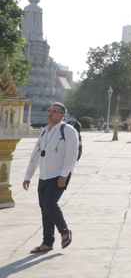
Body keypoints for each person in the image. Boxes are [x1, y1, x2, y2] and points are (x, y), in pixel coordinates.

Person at [23, 102, 78, 253]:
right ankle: (47, 242)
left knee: (50, 204)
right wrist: (28, 175)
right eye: (49, 110)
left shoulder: (68, 130)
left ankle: (65, 231)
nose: (50, 113)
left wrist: (64, 175)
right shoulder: (44, 132)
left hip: (59, 175)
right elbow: (36, 154)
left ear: (62, 115)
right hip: (44, 175)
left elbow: (72, 154)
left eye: (54, 111)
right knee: (44, 209)